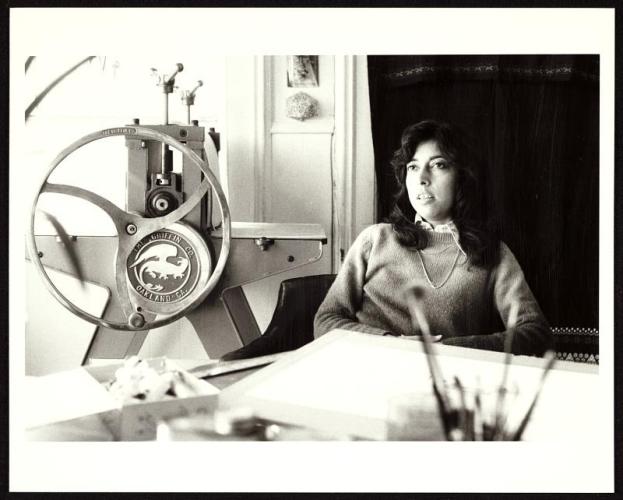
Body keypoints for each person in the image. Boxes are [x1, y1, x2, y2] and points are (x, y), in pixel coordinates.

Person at [314, 120, 552, 356]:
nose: (421, 179)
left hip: (447, 382)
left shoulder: (492, 252)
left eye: (438, 165)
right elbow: (325, 321)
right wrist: (393, 344)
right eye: (413, 167)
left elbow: (535, 333)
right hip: (366, 373)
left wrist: (445, 351)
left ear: (462, 176)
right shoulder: (374, 239)